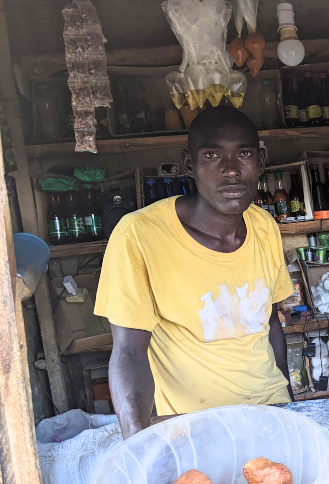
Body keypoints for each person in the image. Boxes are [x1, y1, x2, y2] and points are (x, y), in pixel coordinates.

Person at [95, 106, 294, 439]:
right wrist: (136, 441)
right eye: (213, 155)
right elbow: (128, 352)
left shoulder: (264, 226)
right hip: (193, 425)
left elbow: (271, 322)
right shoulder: (139, 235)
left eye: (243, 153)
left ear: (260, 159)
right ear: (190, 164)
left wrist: (288, 403)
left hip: (268, 410)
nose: (231, 171)